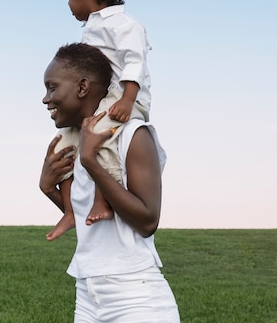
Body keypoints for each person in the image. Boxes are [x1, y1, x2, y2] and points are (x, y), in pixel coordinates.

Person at [39, 43, 180, 323]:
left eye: (52, 87)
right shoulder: (76, 142)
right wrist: (48, 188)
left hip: (135, 297)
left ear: (82, 87)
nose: (46, 99)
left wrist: (92, 162)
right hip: (88, 293)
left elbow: (147, 220)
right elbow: (90, 219)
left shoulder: (133, 135)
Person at [46, 0, 153, 241]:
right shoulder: (92, 27)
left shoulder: (123, 24)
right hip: (104, 101)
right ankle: (69, 209)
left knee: (99, 141)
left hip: (123, 100)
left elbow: (135, 62)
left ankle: (103, 200)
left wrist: (129, 100)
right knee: (62, 145)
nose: (68, 2)